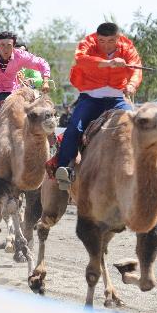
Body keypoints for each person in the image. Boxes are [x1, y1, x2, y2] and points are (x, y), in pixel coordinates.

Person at [54, 22, 142, 191]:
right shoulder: (87, 43)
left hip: (118, 99)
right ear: (97, 37)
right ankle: (64, 168)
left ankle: (141, 170)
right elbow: (81, 60)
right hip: (91, 99)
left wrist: (131, 85)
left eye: (110, 41)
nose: (105, 45)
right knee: (74, 127)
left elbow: (136, 69)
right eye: (101, 40)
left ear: (118, 38)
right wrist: (108, 63)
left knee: (136, 126)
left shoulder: (127, 47)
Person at [0, 31, 52, 106]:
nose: (5, 49)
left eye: (9, 45)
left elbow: (42, 63)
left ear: (14, 46)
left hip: (10, 94)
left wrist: (45, 82)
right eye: (2, 45)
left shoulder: (21, 56)